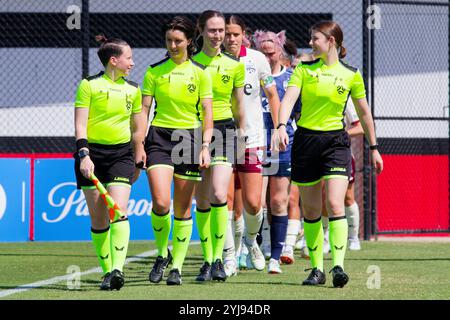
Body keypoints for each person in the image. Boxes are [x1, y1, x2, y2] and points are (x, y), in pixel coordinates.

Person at [278, 21, 383, 288]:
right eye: (310, 39)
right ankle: (316, 269)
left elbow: (364, 113)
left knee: (336, 204)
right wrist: (281, 126)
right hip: (305, 141)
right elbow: (288, 100)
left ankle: (338, 266)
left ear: (331, 41)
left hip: (336, 142)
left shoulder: (351, 74)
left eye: (315, 39)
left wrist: (374, 147)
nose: (311, 43)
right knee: (311, 210)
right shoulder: (303, 69)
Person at [142, 16, 213, 286]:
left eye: (178, 41)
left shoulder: (200, 72)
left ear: (188, 42)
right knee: (161, 203)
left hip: (189, 139)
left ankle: (178, 267)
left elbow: (207, 112)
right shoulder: (153, 72)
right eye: (169, 40)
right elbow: (144, 111)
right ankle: (162, 254)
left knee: (182, 208)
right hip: (159, 137)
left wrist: (206, 146)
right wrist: (139, 142)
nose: (173, 45)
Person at [74, 35, 146, 290]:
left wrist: (139, 157)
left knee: (119, 211)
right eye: (129, 58)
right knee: (99, 220)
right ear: (113, 61)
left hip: (121, 156)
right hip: (91, 155)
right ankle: (108, 272)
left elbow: (138, 129)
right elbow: (80, 123)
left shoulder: (133, 89)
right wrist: (84, 155)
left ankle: (117, 269)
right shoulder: (88, 85)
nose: (133, 63)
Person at [221, 15, 281, 276]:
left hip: (252, 138)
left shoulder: (257, 59)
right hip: (220, 139)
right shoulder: (212, 60)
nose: (231, 39)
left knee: (254, 204)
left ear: (243, 34)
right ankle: (229, 255)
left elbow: (273, 95)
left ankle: (250, 242)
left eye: (235, 34)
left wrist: (279, 128)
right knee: (225, 202)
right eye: (226, 34)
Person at [192, 10, 246, 282]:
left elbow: (238, 105)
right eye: (212, 30)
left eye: (221, 31)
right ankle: (207, 260)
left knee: (218, 194)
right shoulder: (189, 64)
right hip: (191, 132)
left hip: (225, 131)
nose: (217, 36)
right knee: (201, 199)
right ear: (200, 30)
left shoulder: (235, 65)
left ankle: (222, 258)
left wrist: (243, 133)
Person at [253, 29, 299, 273]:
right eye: (263, 53)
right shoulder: (251, 78)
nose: (268, 57)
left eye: (272, 53)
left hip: (281, 145)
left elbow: (300, 113)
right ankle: (257, 246)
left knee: (279, 200)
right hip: (254, 144)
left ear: (280, 52)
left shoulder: (291, 79)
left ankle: (277, 256)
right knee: (256, 203)